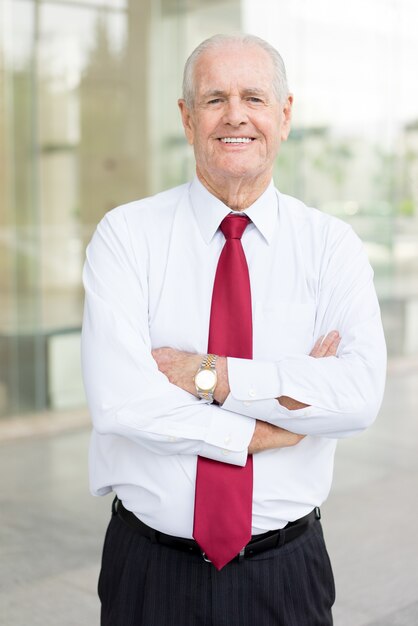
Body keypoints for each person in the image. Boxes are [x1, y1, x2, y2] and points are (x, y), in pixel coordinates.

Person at [81, 33, 386, 626]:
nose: (235, 115)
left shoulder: (331, 248)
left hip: (285, 573)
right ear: (187, 118)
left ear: (285, 115)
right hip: (149, 572)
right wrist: (273, 424)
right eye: (215, 98)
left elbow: (356, 396)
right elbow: (122, 404)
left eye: (254, 96)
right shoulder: (127, 237)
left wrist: (208, 375)